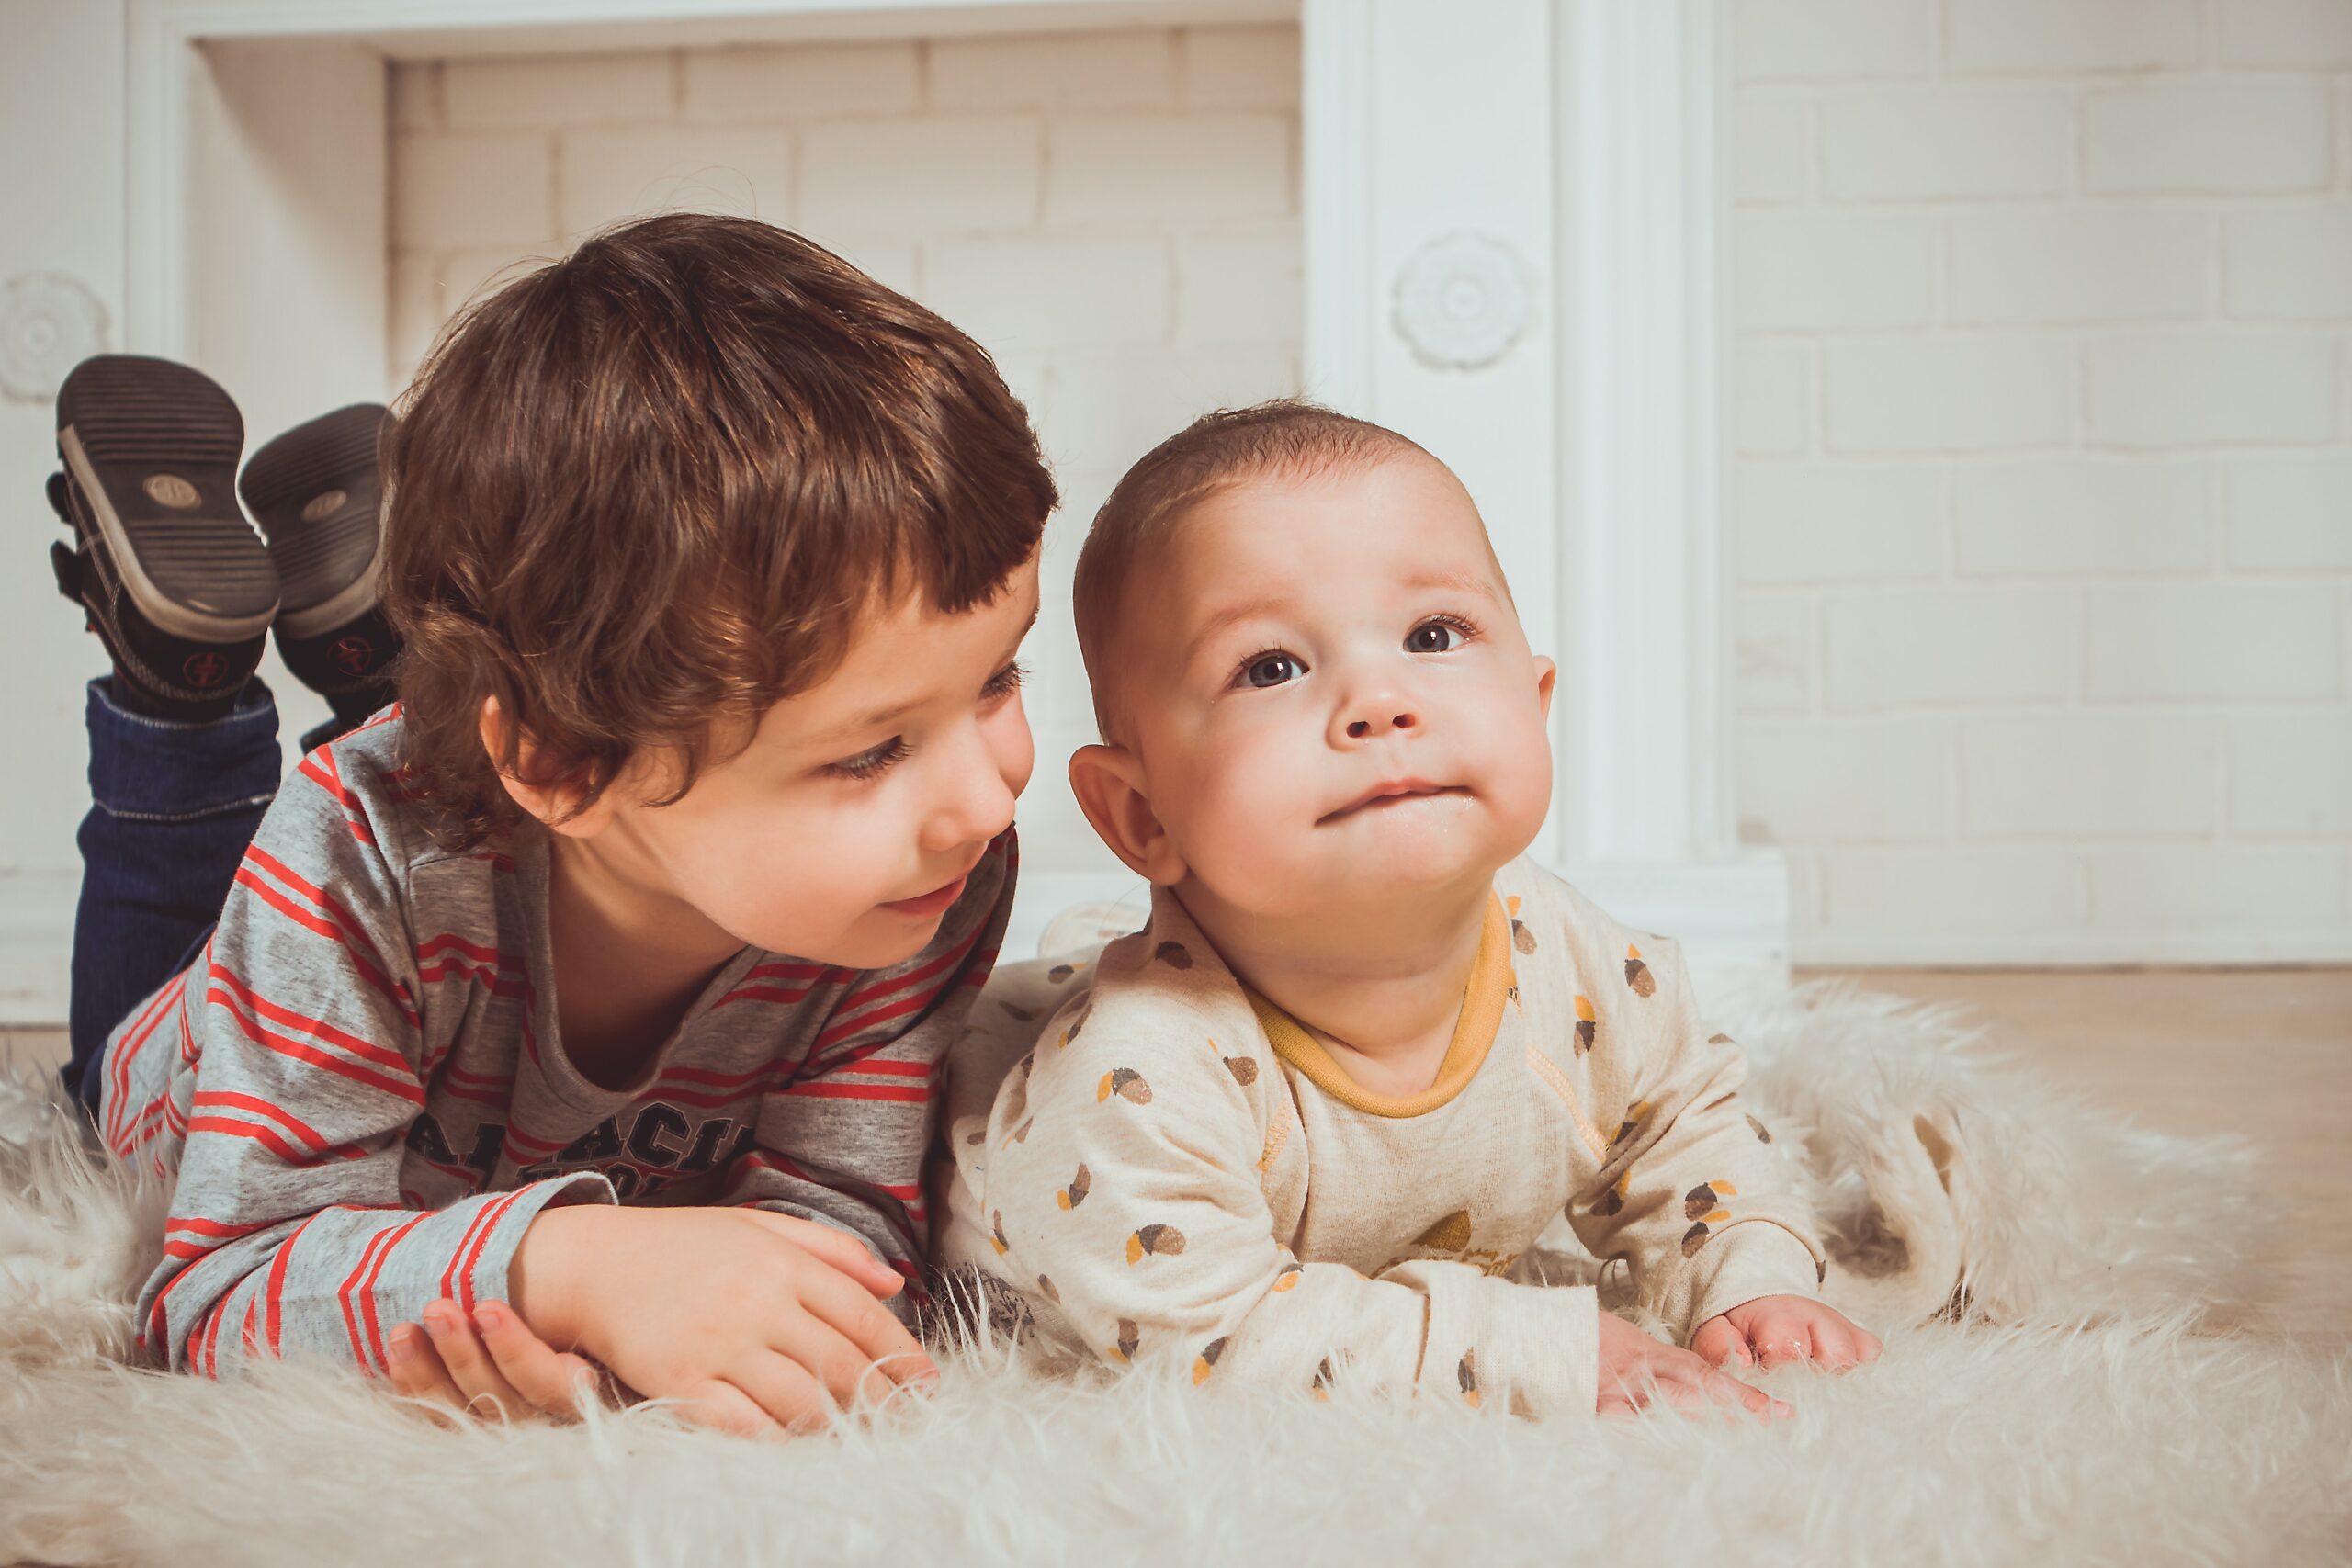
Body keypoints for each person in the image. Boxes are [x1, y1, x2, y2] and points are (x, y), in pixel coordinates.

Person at [44, 213, 1056, 1436]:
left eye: (1000, 679)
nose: (988, 797)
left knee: (448, 770)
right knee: (120, 1029)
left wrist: (718, 1307)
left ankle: (396, 643)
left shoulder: (920, 881)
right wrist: (561, 1266)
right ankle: (179, 687)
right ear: (565, 760)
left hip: (497, 813)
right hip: (195, 1049)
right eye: (868, 750)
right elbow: (213, 1295)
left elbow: (842, 1223)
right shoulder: (349, 857)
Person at [937, 400, 1880, 1421]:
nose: (1379, 701)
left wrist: (1751, 1273)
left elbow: (1684, 1130)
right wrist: (1536, 1352)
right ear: (1139, 812)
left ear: (1535, 700)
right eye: (1271, 667)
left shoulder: (1573, 960)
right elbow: (1209, 1338)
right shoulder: (1136, 1078)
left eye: (1434, 634)